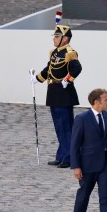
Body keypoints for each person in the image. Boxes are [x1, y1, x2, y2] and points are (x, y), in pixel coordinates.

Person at [31, 16, 82, 168]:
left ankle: (70, 158)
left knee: (66, 127)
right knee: (59, 126)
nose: (54, 39)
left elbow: (77, 68)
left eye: (57, 36)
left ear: (65, 39)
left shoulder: (70, 52)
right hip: (54, 93)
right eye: (55, 36)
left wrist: (68, 79)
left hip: (64, 93)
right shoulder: (54, 53)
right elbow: (49, 69)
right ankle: (61, 155)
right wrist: (37, 78)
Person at [70, 88, 107, 212]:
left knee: (105, 199)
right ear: (96, 102)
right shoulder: (82, 118)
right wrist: (76, 166)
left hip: (105, 164)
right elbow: (74, 145)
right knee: (83, 196)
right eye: (106, 99)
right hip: (87, 165)